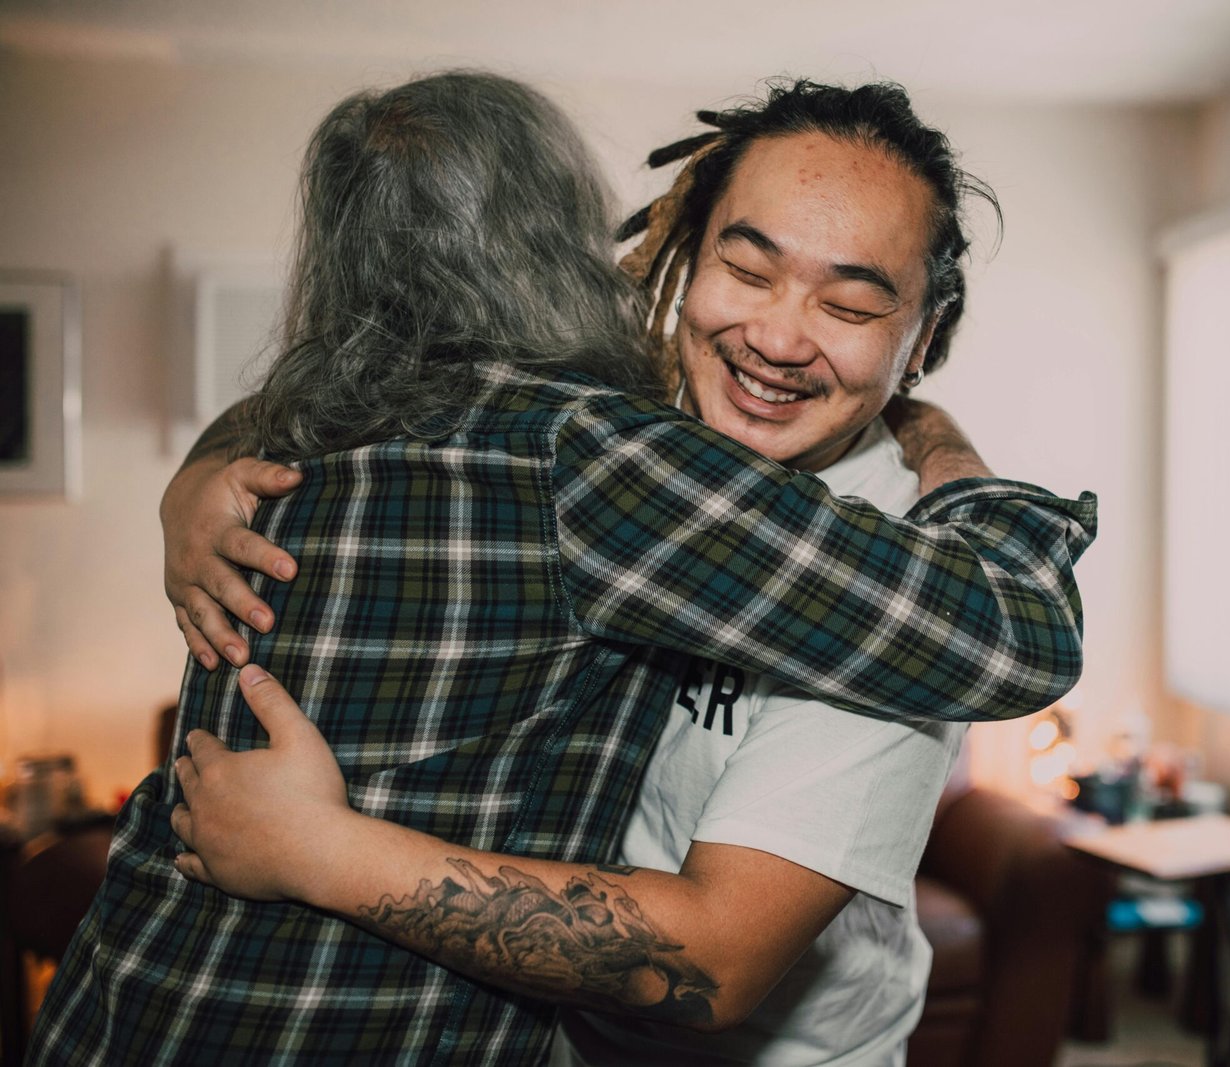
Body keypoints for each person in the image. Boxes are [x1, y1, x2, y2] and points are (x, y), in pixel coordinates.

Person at [30, 74, 1093, 1067]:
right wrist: (206, 467)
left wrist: (321, 849)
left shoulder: (907, 582)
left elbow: (713, 958)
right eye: (746, 267)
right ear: (679, 256)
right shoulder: (625, 421)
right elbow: (387, 365)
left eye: (851, 306)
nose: (776, 333)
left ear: (922, 333)